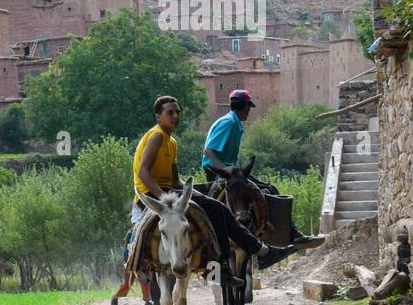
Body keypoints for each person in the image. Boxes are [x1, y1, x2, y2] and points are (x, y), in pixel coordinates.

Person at [133, 95, 297, 283]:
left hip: (170, 191)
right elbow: (143, 172)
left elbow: (175, 180)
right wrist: (164, 200)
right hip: (152, 194)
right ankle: (238, 260)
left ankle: (241, 258)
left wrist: (194, 191)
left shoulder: (172, 141)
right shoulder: (157, 137)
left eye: (177, 112)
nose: (175, 116)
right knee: (218, 209)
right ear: (158, 117)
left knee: (216, 206)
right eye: (170, 113)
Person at [202, 89, 325, 249]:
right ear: (244, 106)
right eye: (249, 108)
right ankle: (289, 234)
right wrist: (225, 169)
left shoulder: (233, 122)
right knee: (260, 191)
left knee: (269, 188)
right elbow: (208, 151)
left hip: (231, 171)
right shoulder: (228, 123)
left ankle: (278, 233)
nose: (249, 112)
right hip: (218, 172)